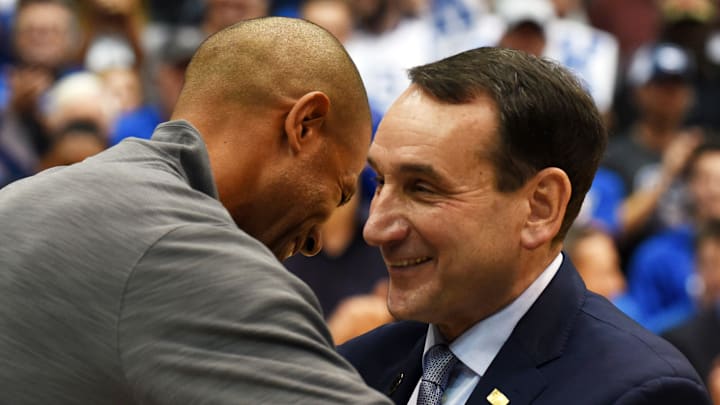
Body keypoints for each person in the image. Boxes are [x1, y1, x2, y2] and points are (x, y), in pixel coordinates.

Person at [0, 17, 392, 404]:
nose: (313, 242)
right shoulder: (189, 253)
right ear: (304, 125)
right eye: (339, 192)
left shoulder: (22, 199)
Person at [338, 47, 710, 404]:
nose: (376, 229)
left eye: (421, 188)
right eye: (381, 181)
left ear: (540, 207)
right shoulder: (357, 367)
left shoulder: (639, 391)